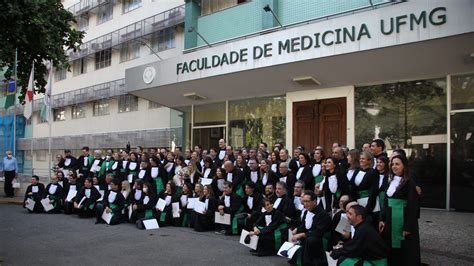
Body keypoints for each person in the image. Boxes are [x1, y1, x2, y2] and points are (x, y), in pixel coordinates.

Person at [379, 155, 420, 265]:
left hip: (402, 220)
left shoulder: (409, 183)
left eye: (397, 164)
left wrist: (408, 226)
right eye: (392, 164)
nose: (394, 167)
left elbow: (412, 206)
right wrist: (382, 219)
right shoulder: (391, 181)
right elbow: (386, 202)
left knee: (403, 249)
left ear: (404, 166)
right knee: (390, 246)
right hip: (390, 219)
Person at [290, 190, 331, 266]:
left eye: (307, 201)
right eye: (304, 201)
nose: (305, 204)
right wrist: (297, 230)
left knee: (310, 240)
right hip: (309, 235)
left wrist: (302, 234)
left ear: (314, 201)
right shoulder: (306, 211)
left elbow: (318, 232)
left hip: (320, 237)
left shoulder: (323, 214)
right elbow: (303, 225)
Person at [352, 151, 380, 227]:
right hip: (358, 202)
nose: (361, 160)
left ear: (369, 161)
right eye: (360, 158)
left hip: (369, 203)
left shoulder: (373, 173)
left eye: (363, 159)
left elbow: (373, 191)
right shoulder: (357, 171)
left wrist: (368, 208)